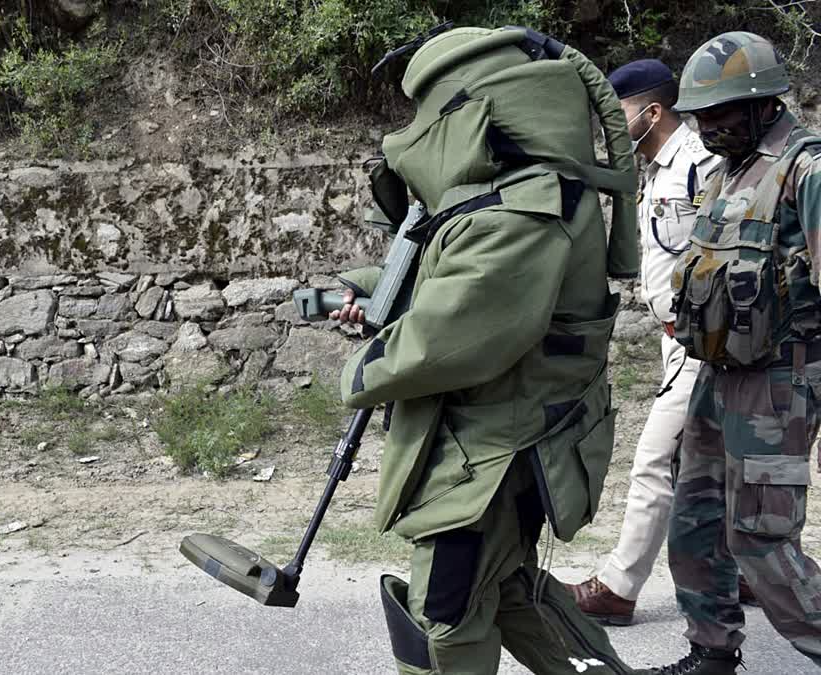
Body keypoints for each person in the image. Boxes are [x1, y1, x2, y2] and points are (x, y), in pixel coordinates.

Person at [331, 25, 640, 674]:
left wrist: (363, 367)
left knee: (444, 619)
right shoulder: (521, 194)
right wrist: (373, 294)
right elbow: (454, 284)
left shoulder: (521, 208)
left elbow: (454, 336)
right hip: (508, 446)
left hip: (490, 455)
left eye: (427, 108)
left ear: (470, 104)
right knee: (504, 590)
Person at [638, 31, 821, 675]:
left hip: (781, 380)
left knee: (761, 539)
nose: (707, 127)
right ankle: (712, 651)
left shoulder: (807, 170)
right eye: (700, 116)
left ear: (763, 104)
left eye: (720, 114)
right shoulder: (723, 173)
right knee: (695, 520)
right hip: (717, 377)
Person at [567, 59, 731, 626]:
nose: (614, 127)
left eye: (621, 115)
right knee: (713, 466)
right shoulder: (657, 169)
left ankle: (618, 586)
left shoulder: (701, 164)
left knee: (654, 462)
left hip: (703, 345)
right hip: (674, 341)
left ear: (653, 112)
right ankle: (744, 574)